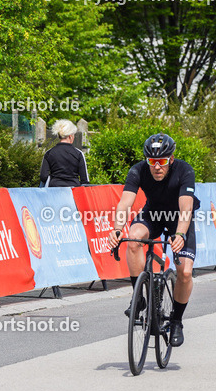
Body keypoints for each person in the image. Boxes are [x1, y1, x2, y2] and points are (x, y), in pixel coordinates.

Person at [107, 133, 198, 347]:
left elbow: (186, 207)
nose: (157, 167)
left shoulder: (185, 171)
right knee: (133, 239)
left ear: (171, 160)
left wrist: (181, 234)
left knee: (184, 272)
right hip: (153, 215)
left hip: (179, 219)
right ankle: (139, 297)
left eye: (162, 162)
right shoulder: (137, 170)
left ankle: (176, 321)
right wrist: (117, 229)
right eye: (152, 162)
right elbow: (124, 203)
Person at [39, 119, 88, 187]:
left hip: (54, 190)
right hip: (73, 191)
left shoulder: (49, 153)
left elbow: (43, 177)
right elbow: (85, 180)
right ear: (70, 136)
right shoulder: (78, 153)